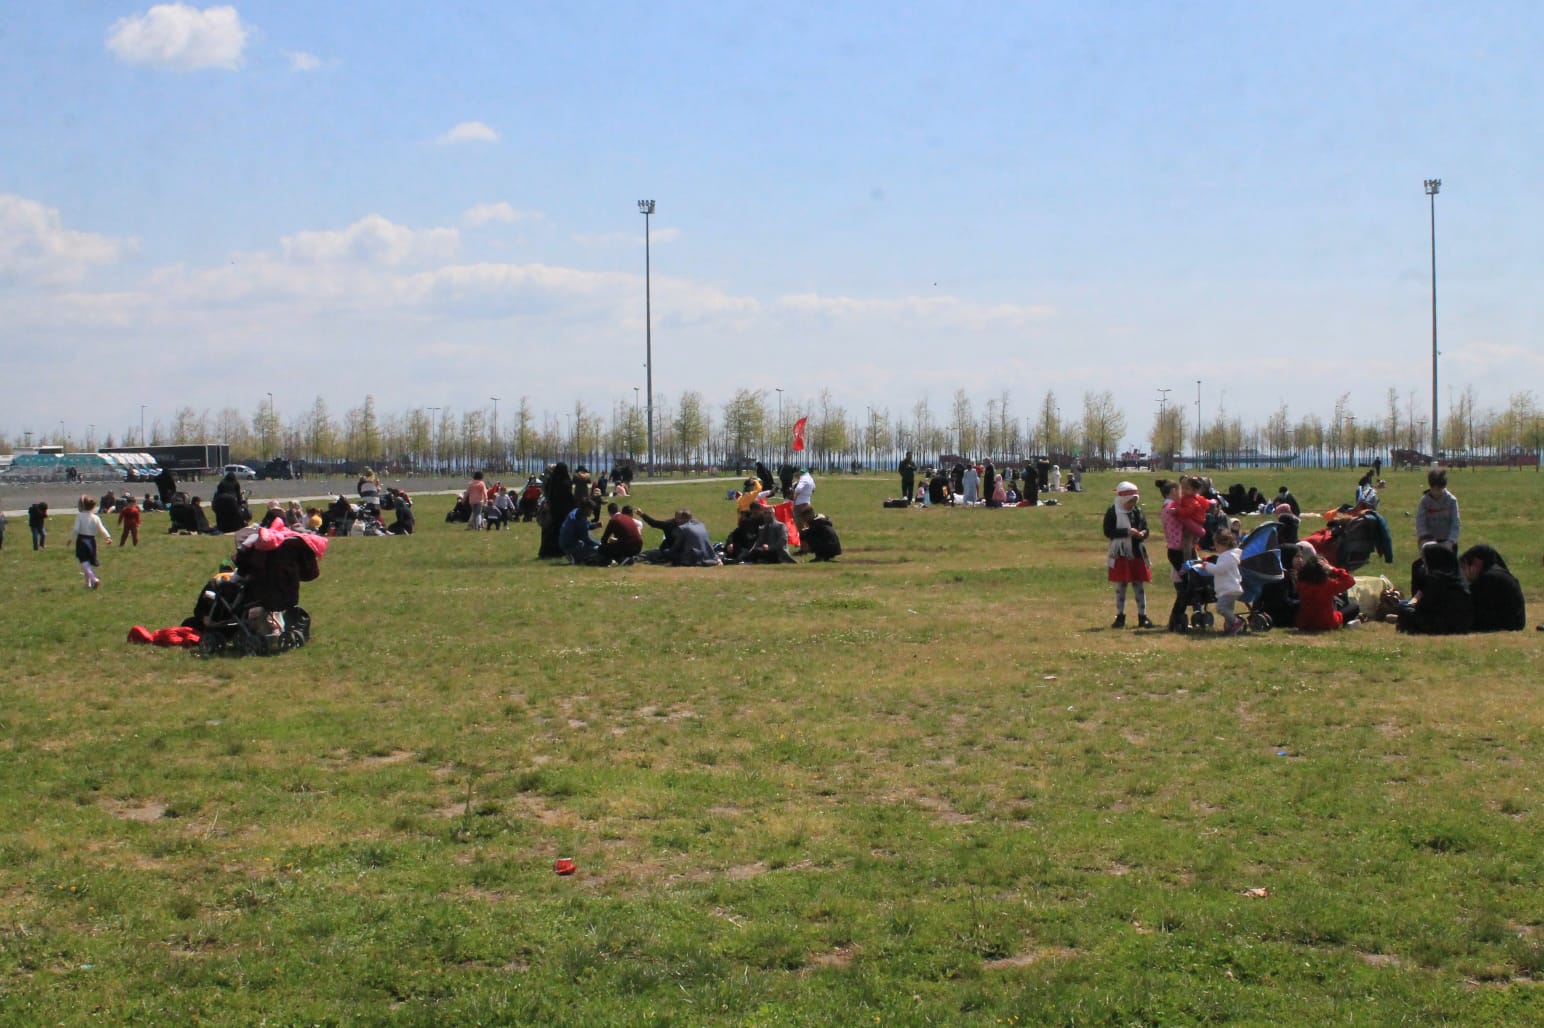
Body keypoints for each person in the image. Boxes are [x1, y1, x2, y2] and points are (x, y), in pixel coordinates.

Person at [1103, 481, 1153, 629]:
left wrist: (1142, 533)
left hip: (1136, 552)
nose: (1132, 504)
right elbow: (1108, 531)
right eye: (1130, 501)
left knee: (1138, 584)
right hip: (1121, 553)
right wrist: (1126, 532)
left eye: (1134, 501)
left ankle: (1142, 616)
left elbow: (1145, 528)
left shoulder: (1137, 512)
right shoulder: (1113, 512)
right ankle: (1120, 616)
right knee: (1121, 585)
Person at [1158, 478, 1205, 632]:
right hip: (1179, 551)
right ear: (1173, 491)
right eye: (1180, 490)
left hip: (1176, 549)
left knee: (1187, 584)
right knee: (1188, 585)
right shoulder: (1172, 508)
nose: (1183, 494)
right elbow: (1187, 521)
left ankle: (1178, 618)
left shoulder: (1167, 507)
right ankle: (1176, 618)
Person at [1395, 541, 1472, 635]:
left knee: (1404, 609)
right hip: (1461, 624)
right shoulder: (1458, 577)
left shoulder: (1437, 580)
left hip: (1441, 625)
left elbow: (1422, 606)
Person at [1412, 466, 1461, 595]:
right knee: (1425, 572)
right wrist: (1424, 538)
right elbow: (1420, 522)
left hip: (1447, 543)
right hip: (1430, 544)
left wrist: (1450, 541)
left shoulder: (1451, 501)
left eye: (1439, 489)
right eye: (1434, 489)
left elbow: (1455, 523)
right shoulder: (1425, 501)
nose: (1436, 492)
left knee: (1448, 574)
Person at [1461, 544, 1526, 632]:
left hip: (1507, 624)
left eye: (1463, 567)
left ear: (1476, 564)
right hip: (1514, 622)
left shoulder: (1489, 578)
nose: (1463, 572)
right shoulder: (1498, 574)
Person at [1193, 527, 1244, 634]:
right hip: (1232, 588)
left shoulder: (1227, 556)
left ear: (1223, 545)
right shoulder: (1231, 555)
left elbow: (1219, 569)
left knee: (1221, 608)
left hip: (1228, 589)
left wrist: (1207, 566)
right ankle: (1231, 627)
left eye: (1216, 546)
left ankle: (1236, 622)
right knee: (1228, 609)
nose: (1216, 548)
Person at [1294, 548, 1359, 631]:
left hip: (1306, 624)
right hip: (1327, 623)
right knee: (1354, 607)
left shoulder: (1301, 583)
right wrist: (1332, 569)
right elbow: (1350, 580)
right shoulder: (1329, 585)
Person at [68, 495, 113, 589]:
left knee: (84, 561)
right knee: (88, 562)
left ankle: (94, 579)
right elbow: (102, 528)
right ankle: (87, 584)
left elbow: (76, 529)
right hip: (92, 541)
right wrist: (108, 537)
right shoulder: (95, 517)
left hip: (82, 540)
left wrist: (70, 539)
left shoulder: (80, 516)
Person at [559, 499, 601, 564]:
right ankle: (573, 556)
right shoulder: (579, 520)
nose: (592, 512)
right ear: (586, 509)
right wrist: (601, 545)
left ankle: (576, 555)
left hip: (566, 543)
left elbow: (585, 525)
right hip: (570, 546)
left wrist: (593, 525)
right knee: (597, 550)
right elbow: (587, 539)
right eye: (591, 509)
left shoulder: (576, 511)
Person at [792, 467, 816, 532]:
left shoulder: (803, 479)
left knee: (799, 523)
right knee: (809, 521)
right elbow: (813, 489)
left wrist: (794, 502)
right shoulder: (811, 479)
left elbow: (798, 489)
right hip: (808, 502)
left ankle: (802, 535)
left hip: (799, 504)